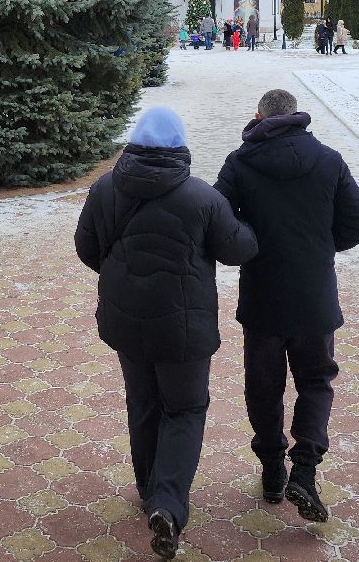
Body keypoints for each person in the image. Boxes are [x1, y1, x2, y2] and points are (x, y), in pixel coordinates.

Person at [75, 107, 258, 559]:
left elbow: (86, 247)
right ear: (180, 147)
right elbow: (238, 249)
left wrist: (122, 275)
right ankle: (169, 505)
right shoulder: (201, 198)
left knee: (142, 401)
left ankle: (147, 488)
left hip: (126, 321)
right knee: (185, 407)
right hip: (184, 328)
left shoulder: (104, 189)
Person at [213, 89, 359, 525]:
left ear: (259, 115)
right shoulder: (329, 159)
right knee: (316, 381)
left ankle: (272, 471)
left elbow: (217, 221)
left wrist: (252, 245)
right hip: (314, 296)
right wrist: (321, 247)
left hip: (263, 296)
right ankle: (304, 468)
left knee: (263, 386)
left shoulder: (241, 161)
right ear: (297, 116)